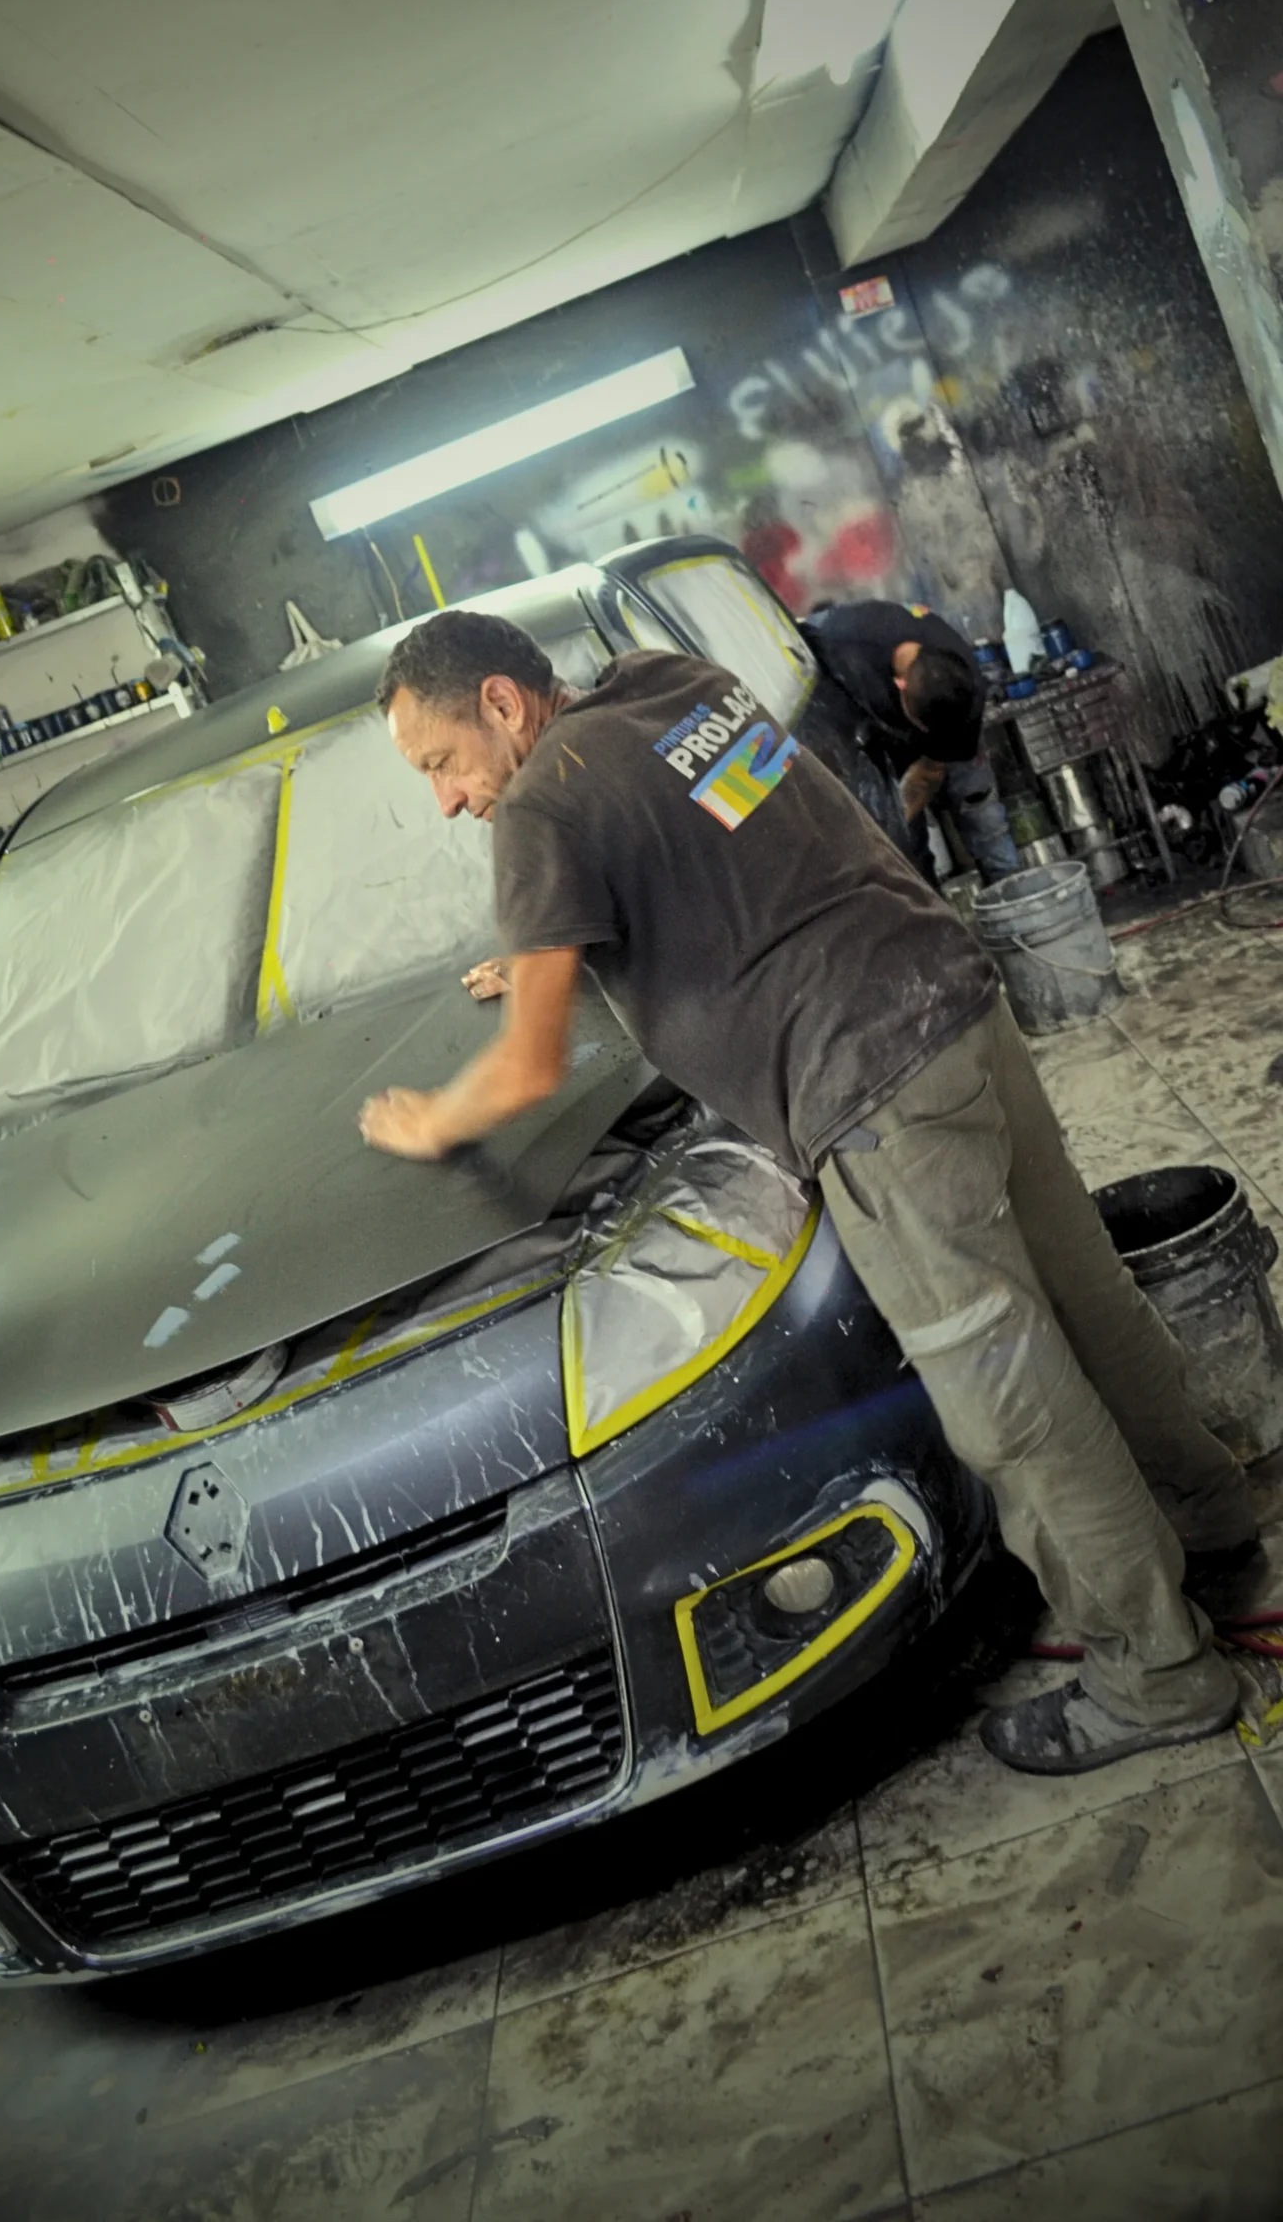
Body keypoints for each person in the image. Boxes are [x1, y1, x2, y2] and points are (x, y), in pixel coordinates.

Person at [358, 610, 1258, 1777]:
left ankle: (1159, 1671)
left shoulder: (540, 808)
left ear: (500, 700)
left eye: (440, 762)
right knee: (1088, 1296)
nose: (446, 799)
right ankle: (1213, 1524)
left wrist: (430, 1119)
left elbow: (529, 1068)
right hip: (952, 1004)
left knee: (1009, 1401)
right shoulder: (667, 682)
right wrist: (547, 947)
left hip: (871, 1087)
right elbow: (728, 844)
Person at [800, 598, 1019, 884]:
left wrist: (923, 779)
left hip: (946, 739)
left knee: (983, 818)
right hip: (884, 740)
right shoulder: (842, 637)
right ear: (899, 684)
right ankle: (927, 902)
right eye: (921, 725)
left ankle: (1012, 890)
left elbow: (932, 770)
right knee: (907, 850)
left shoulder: (965, 682)